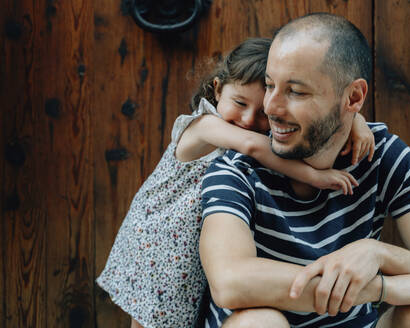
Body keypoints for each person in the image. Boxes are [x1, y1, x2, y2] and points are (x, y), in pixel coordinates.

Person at [199, 13, 410, 328]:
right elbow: (230, 282)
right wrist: (381, 287)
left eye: (296, 91)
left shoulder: (383, 155)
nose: (272, 107)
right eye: (270, 85)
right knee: (258, 324)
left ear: (353, 98)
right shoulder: (236, 167)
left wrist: (378, 254)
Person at [96, 37, 375, 328]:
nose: (247, 118)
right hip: (160, 239)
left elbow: (324, 107)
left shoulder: (254, 122)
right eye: (239, 103)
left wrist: (356, 120)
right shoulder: (203, 125)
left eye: (262, 112)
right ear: (217, 89)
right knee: (152, 316)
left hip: (203, 236)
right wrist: (314, 176)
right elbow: (253, 146)